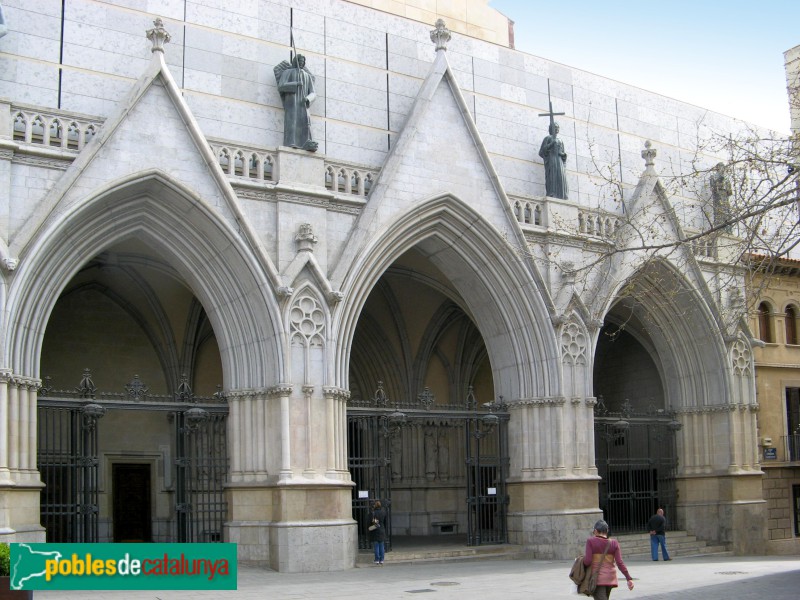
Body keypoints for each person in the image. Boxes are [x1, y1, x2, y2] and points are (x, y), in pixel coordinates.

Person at [273, 54, 318, 152]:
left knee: (306, 123)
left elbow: (313, 93)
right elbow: (281, 86)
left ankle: (306, 143)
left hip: (303, 103)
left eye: (303, 62)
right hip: (292, 102)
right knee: (292, 122)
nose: (301, 63)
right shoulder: (287, 72)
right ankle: (291, 142)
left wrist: (308, 99)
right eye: (300, 61)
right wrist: (296, 84)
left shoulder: (307, 76)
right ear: (295, 61)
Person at [583, 519, 634, 600]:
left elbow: (588, 561)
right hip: (610, 578)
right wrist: (628, 578)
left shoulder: (591, 541)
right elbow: (619, 562)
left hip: (597, 579)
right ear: (607, 531)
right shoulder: (614, 543)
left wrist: (581, 561)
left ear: (595, 531)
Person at [538, 121, 568, 199]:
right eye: (555, 127)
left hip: (560, 161)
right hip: (552, 160)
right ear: (551, 129)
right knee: (552, 176)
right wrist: (551, 144)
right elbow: (541, 152)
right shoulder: (548, 138)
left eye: (557, 128)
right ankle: (552, 193)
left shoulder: (560, 140)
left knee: (561, 177)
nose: (557, 129)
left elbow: (562, 152)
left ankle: (562, 195)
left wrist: (563, 155)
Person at [370, 500, 388, 565]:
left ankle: (377, 559)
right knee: (382, 545)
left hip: (376, 530)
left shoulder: (374, 513)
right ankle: (382, 560)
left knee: (376, 546)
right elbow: (385, 522)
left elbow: (373, 522)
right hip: (382, 529)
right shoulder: (383, 512)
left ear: (375, 505)